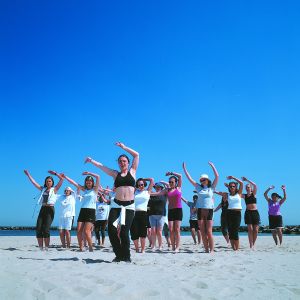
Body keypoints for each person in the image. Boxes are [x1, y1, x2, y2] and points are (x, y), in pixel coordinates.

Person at [85, 142, 139, 262]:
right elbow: (102, 167)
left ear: (128, 162)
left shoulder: (133, 172)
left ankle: (127, 256)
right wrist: (91, 161)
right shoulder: (115, 174)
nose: (122, 163)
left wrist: (124, 147)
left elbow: (136, 155)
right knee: (111, 230)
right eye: (120, 161)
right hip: (116, 205)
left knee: (124, 232)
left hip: (129, 206)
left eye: (124, 161)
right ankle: (119, 255)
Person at [182, 162, 219, 253]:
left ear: (207, 180)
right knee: (202, 231)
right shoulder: (198, 187)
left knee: (209, 231)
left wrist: (212, 166)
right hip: (200, 211)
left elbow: (217, 176)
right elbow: (190, 179)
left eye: (204, 179)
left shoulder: (212, 188)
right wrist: (184, 169)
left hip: (209, 210)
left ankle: (212, 249)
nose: (202, 181)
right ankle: (206, 249)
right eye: (201, 180)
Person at [24, 170, 64, 250]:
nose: (48, 182)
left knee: (46, 229)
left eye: (50, 181)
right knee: (38, 228)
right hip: (43, 209)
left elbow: (62, 179)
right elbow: (34, 183)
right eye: (47, 181)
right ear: (45, 182)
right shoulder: (43, 189)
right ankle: (41, 248)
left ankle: (46, 247)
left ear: (52, 182)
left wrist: (55, 173)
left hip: (50, 209)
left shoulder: (55, 189)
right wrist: (28, 175)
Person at [62, 171, 100, 252]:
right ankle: (81, 248)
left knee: (86, 232)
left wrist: (89, 173)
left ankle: (90, 247)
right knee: (78, 231)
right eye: (87, 182)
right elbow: (74, 183)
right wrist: (65, 177)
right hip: (83, 211)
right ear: (85, 183)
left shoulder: (95, 190)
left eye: (90, 182)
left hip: (91, 211)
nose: (88, 183)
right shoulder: (84, 190)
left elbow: (98, 177)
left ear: (92, 183)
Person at [151, 172, 183, 252]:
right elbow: (157, 193)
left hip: (178, 210)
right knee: (171, 229)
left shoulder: (178, 188)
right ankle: (173, 247)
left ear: (176, 182)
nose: (171, 183)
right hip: (170, 211)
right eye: (169, 182)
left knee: (177, 229)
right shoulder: (166, 190)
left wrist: (171, 173)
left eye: (172, 182)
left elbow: (180, 176)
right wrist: (148, 193)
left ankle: (177, 247)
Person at [218, 176, 244, 251]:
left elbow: (241, 183)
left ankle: (237, 248)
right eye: (231, 186)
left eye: (233, 186)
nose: (232, 187)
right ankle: (233, 248)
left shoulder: (239, 193)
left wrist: (233, 178)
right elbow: (218, 192)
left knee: (235, 231)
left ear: (236, 187)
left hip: (237, 214)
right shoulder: (227, 195)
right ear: (229, 187)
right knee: (230, 231)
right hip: (229, 213)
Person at [130, 178, 154, 253]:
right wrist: (137, 182)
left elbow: (152, 180)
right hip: (134, 213)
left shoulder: (147, 192)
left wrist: (142, 179)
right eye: (139, 185)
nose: (141, 186)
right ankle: (137, 249)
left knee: (143, 233)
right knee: (134, 232)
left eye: (142, 184)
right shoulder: (134, 191)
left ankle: (143, 249)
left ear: (144, 184)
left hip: (144, 214)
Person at [241, 177, 260, 249]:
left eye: (248, 187)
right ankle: (251, 245)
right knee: (250, 229)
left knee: (256, 230)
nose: (247, 188)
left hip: (255, 212)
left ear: (251, 188)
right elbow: (237, 193)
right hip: (248, 212)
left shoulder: (254, 194)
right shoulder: (244, 196)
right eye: (246, 187)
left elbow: (255, 185)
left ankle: (253, 243)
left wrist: (247, 180)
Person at [148, 182, 168, 251]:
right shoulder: (151, 194)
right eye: (156, 187)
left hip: (161, 215)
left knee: (159, 231)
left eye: (159, 187)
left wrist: (163, 182)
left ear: (162, 188)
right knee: (153, 231)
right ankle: (153, 245)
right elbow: (147, 192)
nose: (158, 188)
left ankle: (160, 246)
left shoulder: (164, 195)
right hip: (152, 215)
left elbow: (168, 187)